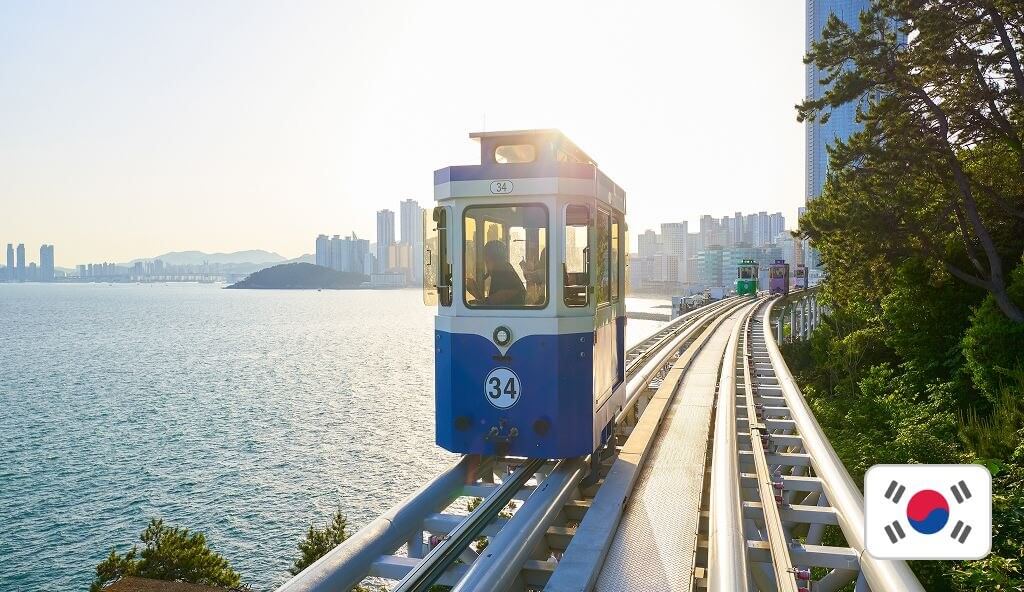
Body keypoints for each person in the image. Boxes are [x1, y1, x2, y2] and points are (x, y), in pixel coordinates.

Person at [466, 240, 526, 305]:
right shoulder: (505, 269)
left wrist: (475, 291)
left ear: (492, 258)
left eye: (486, 261)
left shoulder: (502, 271)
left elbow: (492, 304)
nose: (486, 265)